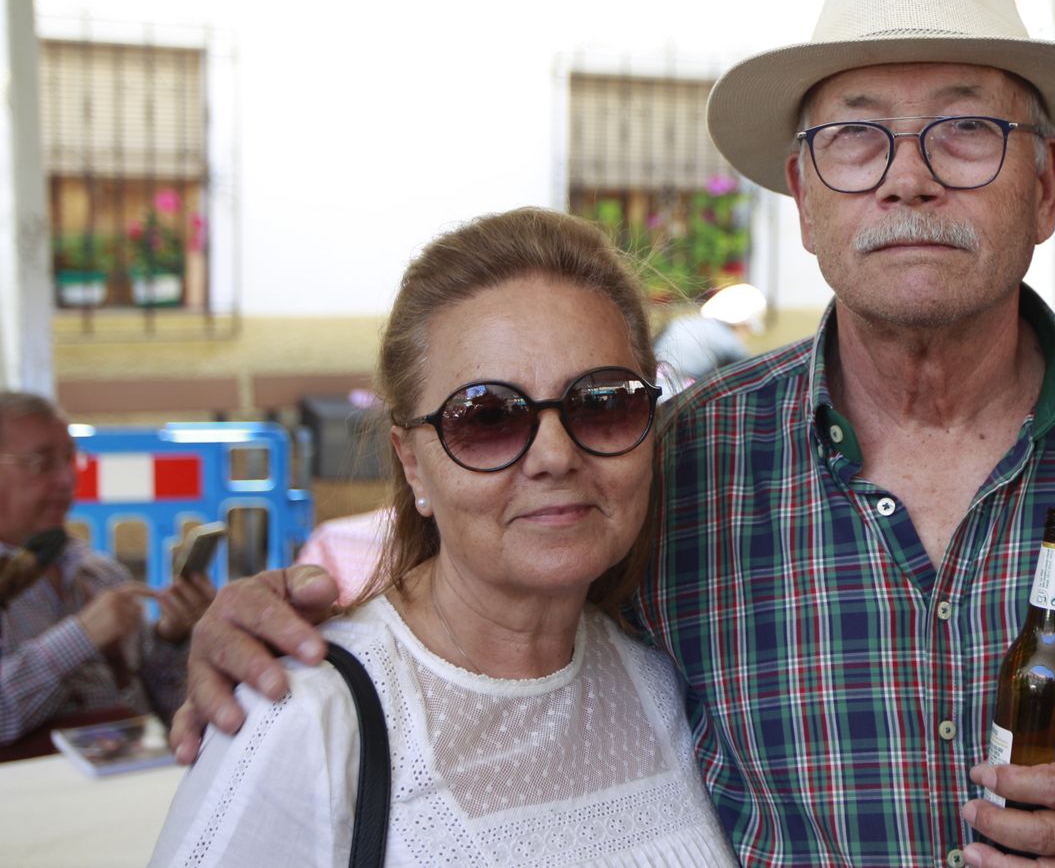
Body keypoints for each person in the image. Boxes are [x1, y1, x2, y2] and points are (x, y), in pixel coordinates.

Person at [174, 0, 1055, 866]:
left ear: (1043, 183)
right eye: (856, 137)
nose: (905, 175)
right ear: (803, 192)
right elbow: (491, 632)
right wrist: (264, 650)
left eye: (966, 129)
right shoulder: (672, 459)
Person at [149, 208, 734, 866]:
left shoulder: (665, 681)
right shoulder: (306, 719)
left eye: (603, 403)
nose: (554, 456)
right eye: (486, 417)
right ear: (411, 464)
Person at [0, 391, 213, 758]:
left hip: (129, 781)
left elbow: (165, 710)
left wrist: (172, 637)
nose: (67, 478)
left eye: (70, 458)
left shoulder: (100, 573)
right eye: (41, 462)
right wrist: (81, 637)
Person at [653, 282, 767, 397]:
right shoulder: (730, 343)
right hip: (680, 398)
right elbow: (750, 379)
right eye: (748, 330)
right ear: (742, 324)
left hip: (651, 390)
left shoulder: (680, 323)